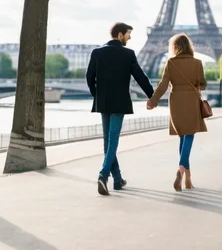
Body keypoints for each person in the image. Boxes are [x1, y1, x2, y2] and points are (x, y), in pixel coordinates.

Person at [86, 22, 154, 196]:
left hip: (103, 102)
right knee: (113, 139)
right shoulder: (128, 54)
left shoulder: (97, 52)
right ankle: (103, 174)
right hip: (120, 102)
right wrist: (152, 96)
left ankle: (117, 179)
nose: (130, 37)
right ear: (120, 34)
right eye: (128, 34)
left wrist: (97, 95)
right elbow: (140, 76)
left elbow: (89, 76)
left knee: (107, 142)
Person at [146, 33, 207, 191]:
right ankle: (181, 170)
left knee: (182, 136)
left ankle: (187, 178)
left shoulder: (171, 63)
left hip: (176, 102)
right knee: (189, 136)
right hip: (192, 101)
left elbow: (163, 85)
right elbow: (202, 84)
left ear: (177, 47)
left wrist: (153, 100)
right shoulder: (197, 63)